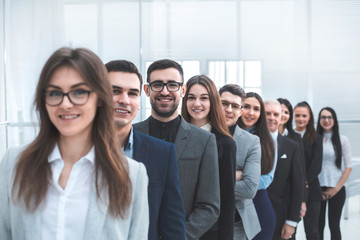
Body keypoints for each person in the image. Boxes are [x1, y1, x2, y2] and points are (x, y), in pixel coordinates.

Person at [0, 47, 149, 240]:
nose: (65, 104)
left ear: (99, 99)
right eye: (55, 93)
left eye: (79, 92)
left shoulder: (131, 175)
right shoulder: (14, 163)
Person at [133, 59, 220, 240]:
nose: (165, 91)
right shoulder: (131, 134)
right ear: (147, 90)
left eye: (172, 85)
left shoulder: (204, 141)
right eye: (157, 85)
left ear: (182, 90)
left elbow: (209, 206)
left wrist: (178, 236)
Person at [105, 60, 186, 240]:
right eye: (115, 91)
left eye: (132, 93)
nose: (124, 100)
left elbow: (172, 224)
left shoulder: (162, 153)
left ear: (139, 101)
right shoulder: (78, 151)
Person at [181, 75, 236, 240]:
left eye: (203, 98)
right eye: (191, 98)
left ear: (213, 102)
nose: (197, 104)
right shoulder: (174, 137)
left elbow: (227, 199)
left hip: (210, 233)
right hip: (177, 227)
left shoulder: (225, 143)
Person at [219, 84, 261, 240]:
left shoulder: (252, 141)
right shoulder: (202, 133)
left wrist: (207, 186)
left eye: (235, 106)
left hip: (237, 224)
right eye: (224, 104)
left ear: (240, 111)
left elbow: (249, 188)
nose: (229, 110)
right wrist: (233, 176)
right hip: (203, 221)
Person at [237, 92, 276, 240]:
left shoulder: (268, 139)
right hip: (232, 207)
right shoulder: (226, 134)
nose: (251, 113)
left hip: (259, 205)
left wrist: (244, 179)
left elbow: (267, 178)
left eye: (256, 109)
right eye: (246, 107)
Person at [264, 100, 304, 240]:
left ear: (281, 118)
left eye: (276, 114)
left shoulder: (291, 147)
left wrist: (292, 221)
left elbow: (297, 186)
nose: (271, 117)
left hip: (281, 216)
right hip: (252, 217)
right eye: (267, 113)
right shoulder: (250, 141)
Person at [317, 107, 352, 240]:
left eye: (329, 117)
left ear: (334, 120)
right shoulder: (315, 139)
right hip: (318, 188)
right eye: (323, 117)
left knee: (334, 225)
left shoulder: (342, 140)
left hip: (336, 189)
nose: (326, 120)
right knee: (318, 226)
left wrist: (335, 189)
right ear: (319, 120)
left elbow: (348, 167)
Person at [293, 101, 323, 240]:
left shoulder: (316, 138)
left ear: (309, 117)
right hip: (291, 190)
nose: (301, 118)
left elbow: (316, 166)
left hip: (312, 190)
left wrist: (303, 182)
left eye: (304, 115)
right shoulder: (288, 136)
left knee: (312, 230)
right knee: (289, 230)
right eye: (297, 115)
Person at [277, 98, 307, 221]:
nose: (283, 115)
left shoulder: (295, 138)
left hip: (289, 195)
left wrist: (302, 200)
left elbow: (300, 172)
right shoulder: (261, 136)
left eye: (286, 112)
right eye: (280, 111)